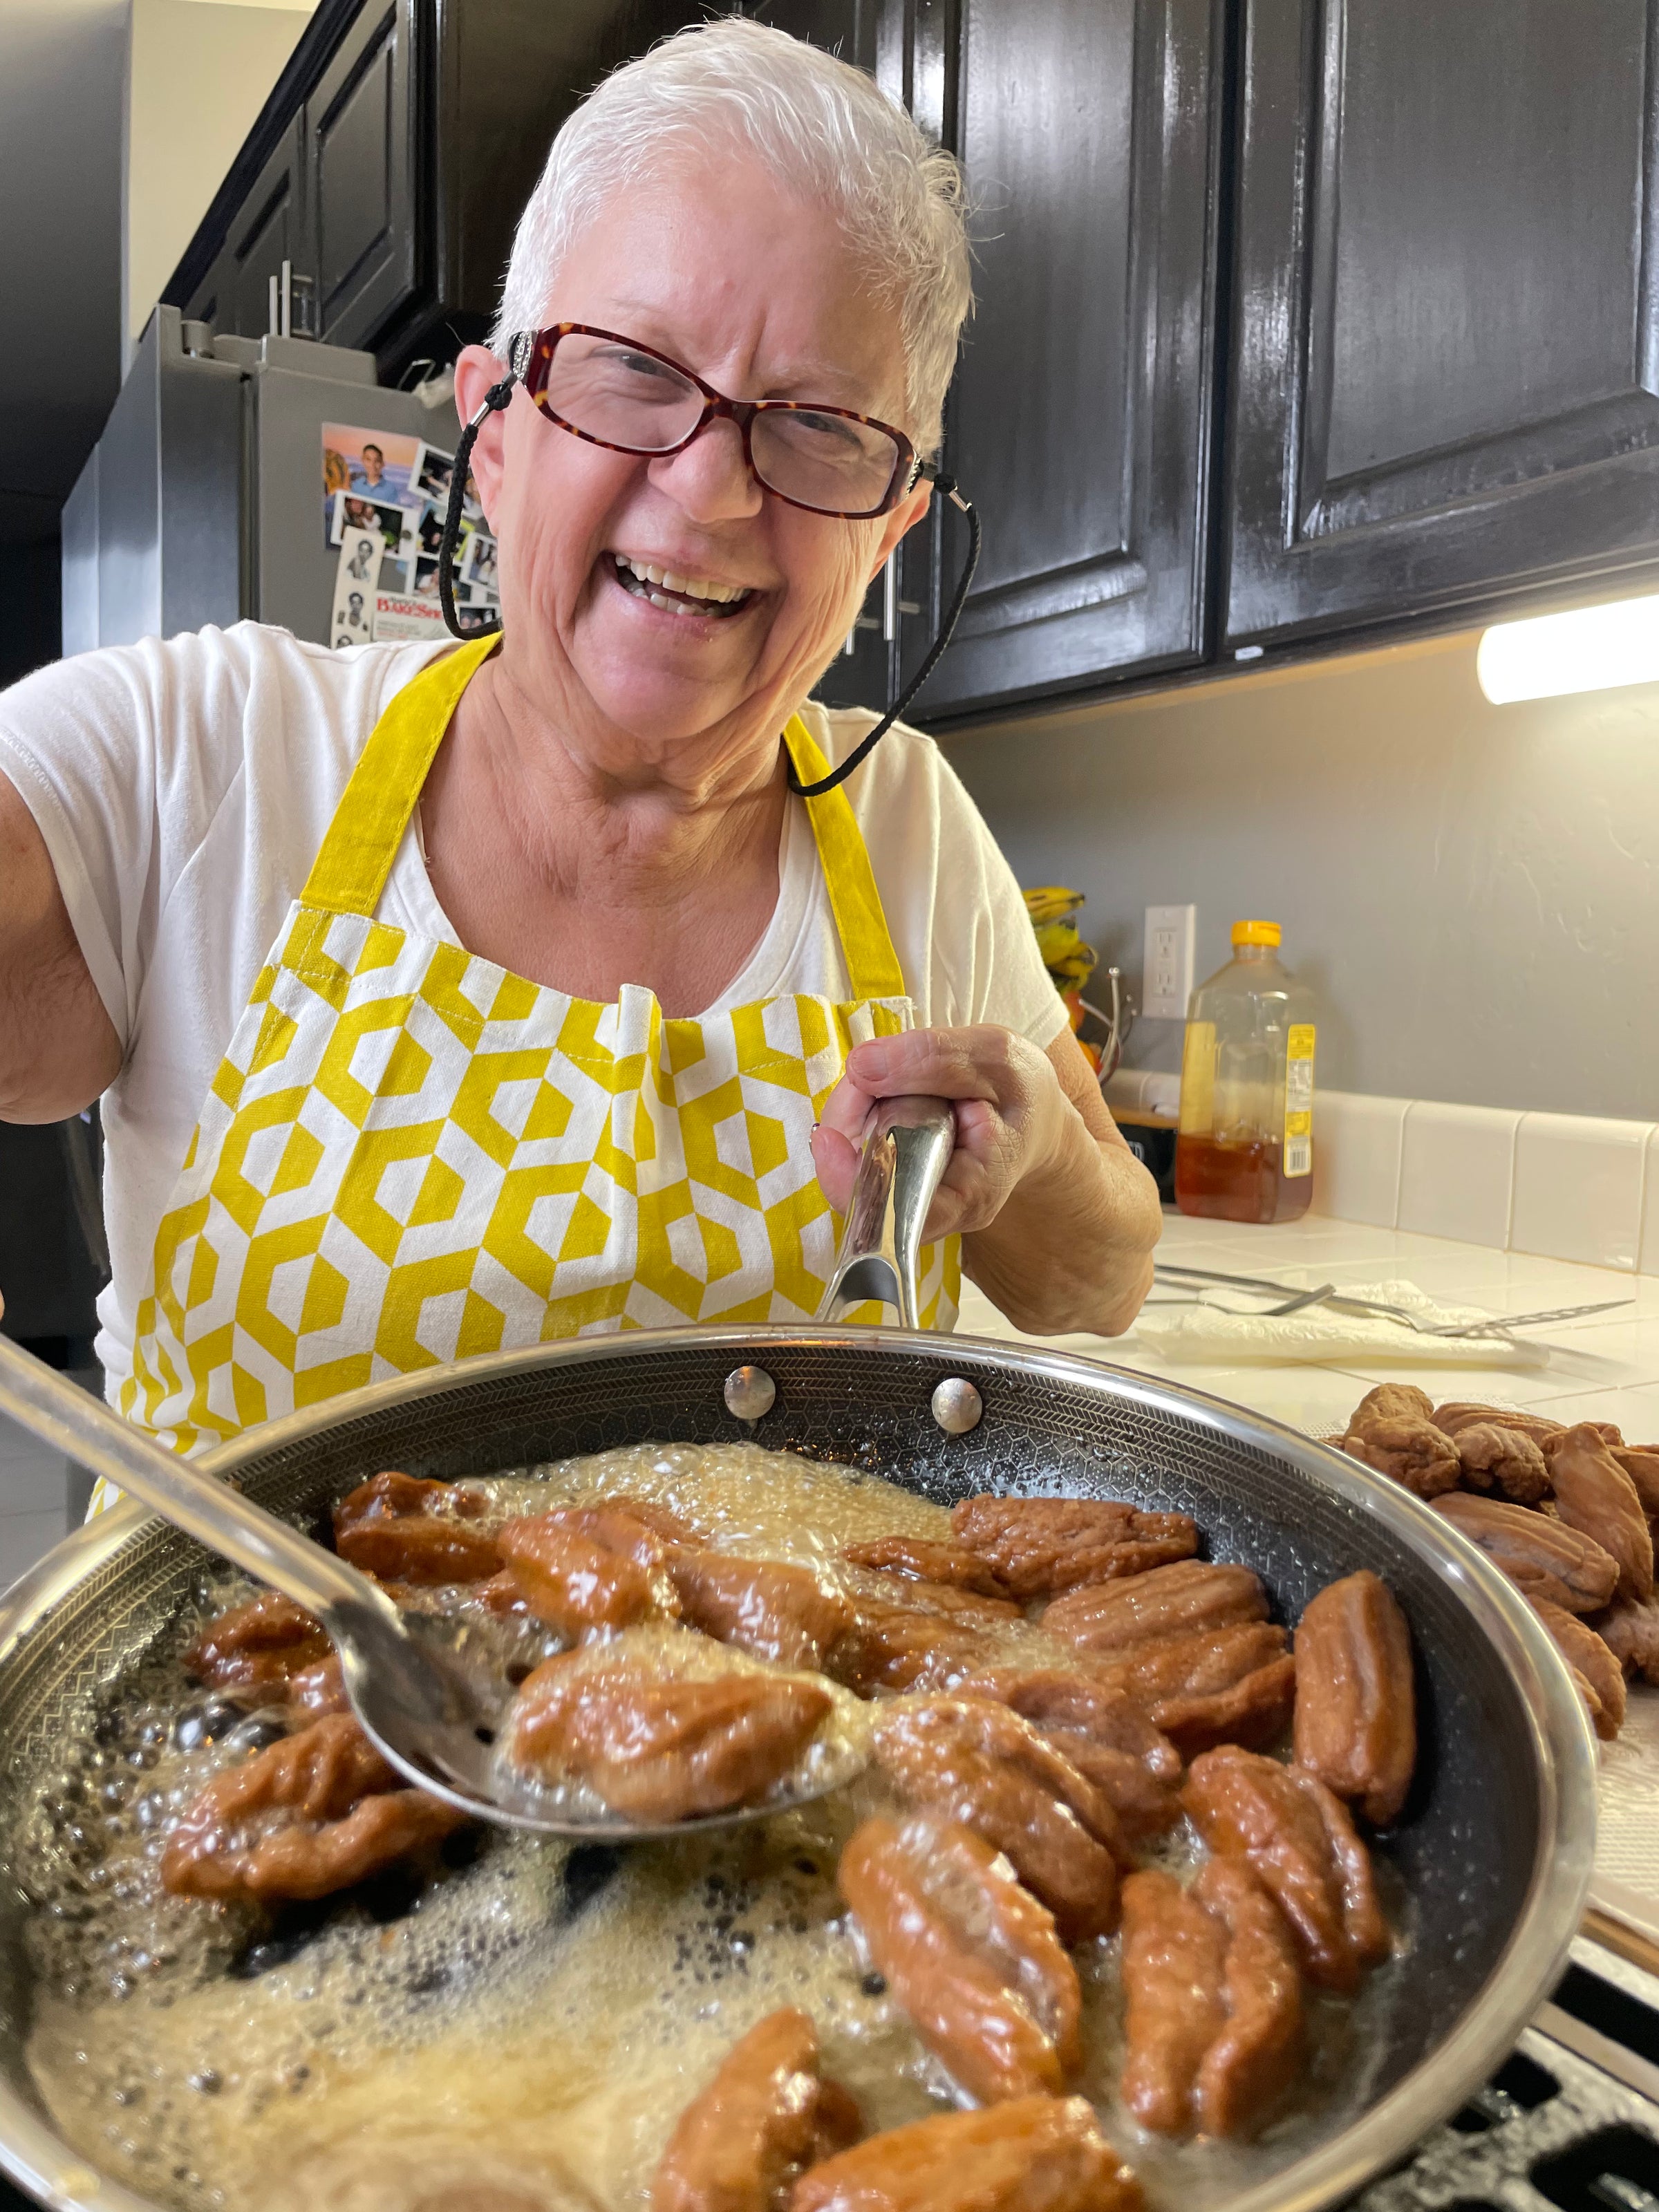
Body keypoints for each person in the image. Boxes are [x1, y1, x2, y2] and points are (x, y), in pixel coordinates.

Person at [0, 19, 1158, 1474]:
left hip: (803, 1704)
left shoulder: (915, 823)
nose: (713, 491)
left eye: (816, 427)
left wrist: (1036, 1146)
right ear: (493, 427)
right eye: (633, 371)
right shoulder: (200, 755)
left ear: (890, 532)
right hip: (251, 1696)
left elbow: (1104, 1280)